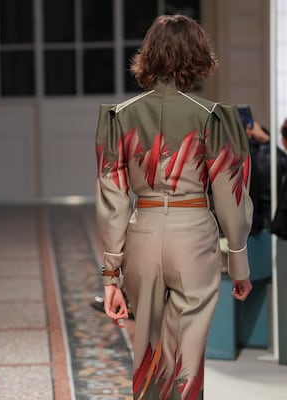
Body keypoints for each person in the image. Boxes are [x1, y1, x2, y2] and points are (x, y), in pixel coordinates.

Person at [95, 14, 253, 399]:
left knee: (148, 352)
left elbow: (112, 199)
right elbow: (230, 198)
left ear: (149, 56)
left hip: (142, 233)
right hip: (193, 234)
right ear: (197, 57)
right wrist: (239, 261)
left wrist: (110, 277)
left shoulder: (120, 115)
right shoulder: (214, 118)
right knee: (185, 355)